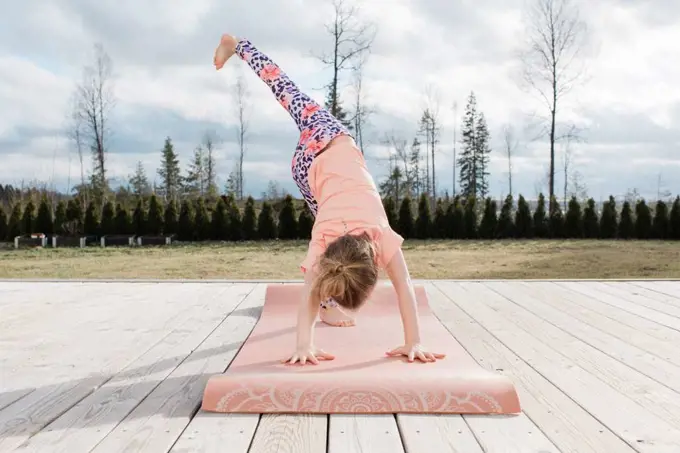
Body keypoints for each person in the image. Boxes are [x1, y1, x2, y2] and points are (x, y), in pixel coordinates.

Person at [214, 34, 445, 365]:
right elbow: (403, 287)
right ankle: (330, 307)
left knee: (284, 87)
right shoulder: (334, 237)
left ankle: (238, 46)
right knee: (320, 269)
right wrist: (414, 342)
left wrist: (303, 346)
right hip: (308, 170)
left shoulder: (370, 233)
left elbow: (318, 288)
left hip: (326, 139)